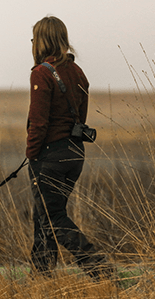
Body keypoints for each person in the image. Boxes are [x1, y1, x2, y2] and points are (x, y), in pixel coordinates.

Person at [26, 16, 112, 279]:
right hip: (75, 153)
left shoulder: (41, 73)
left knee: (51, 218)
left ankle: (98, 266)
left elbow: (38, 123)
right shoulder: (77, 71)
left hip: (50, 156)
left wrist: (31, 154)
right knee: (45, 214)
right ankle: (41, 276)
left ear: (41, 41)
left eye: (34, 38)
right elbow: (81, 116)